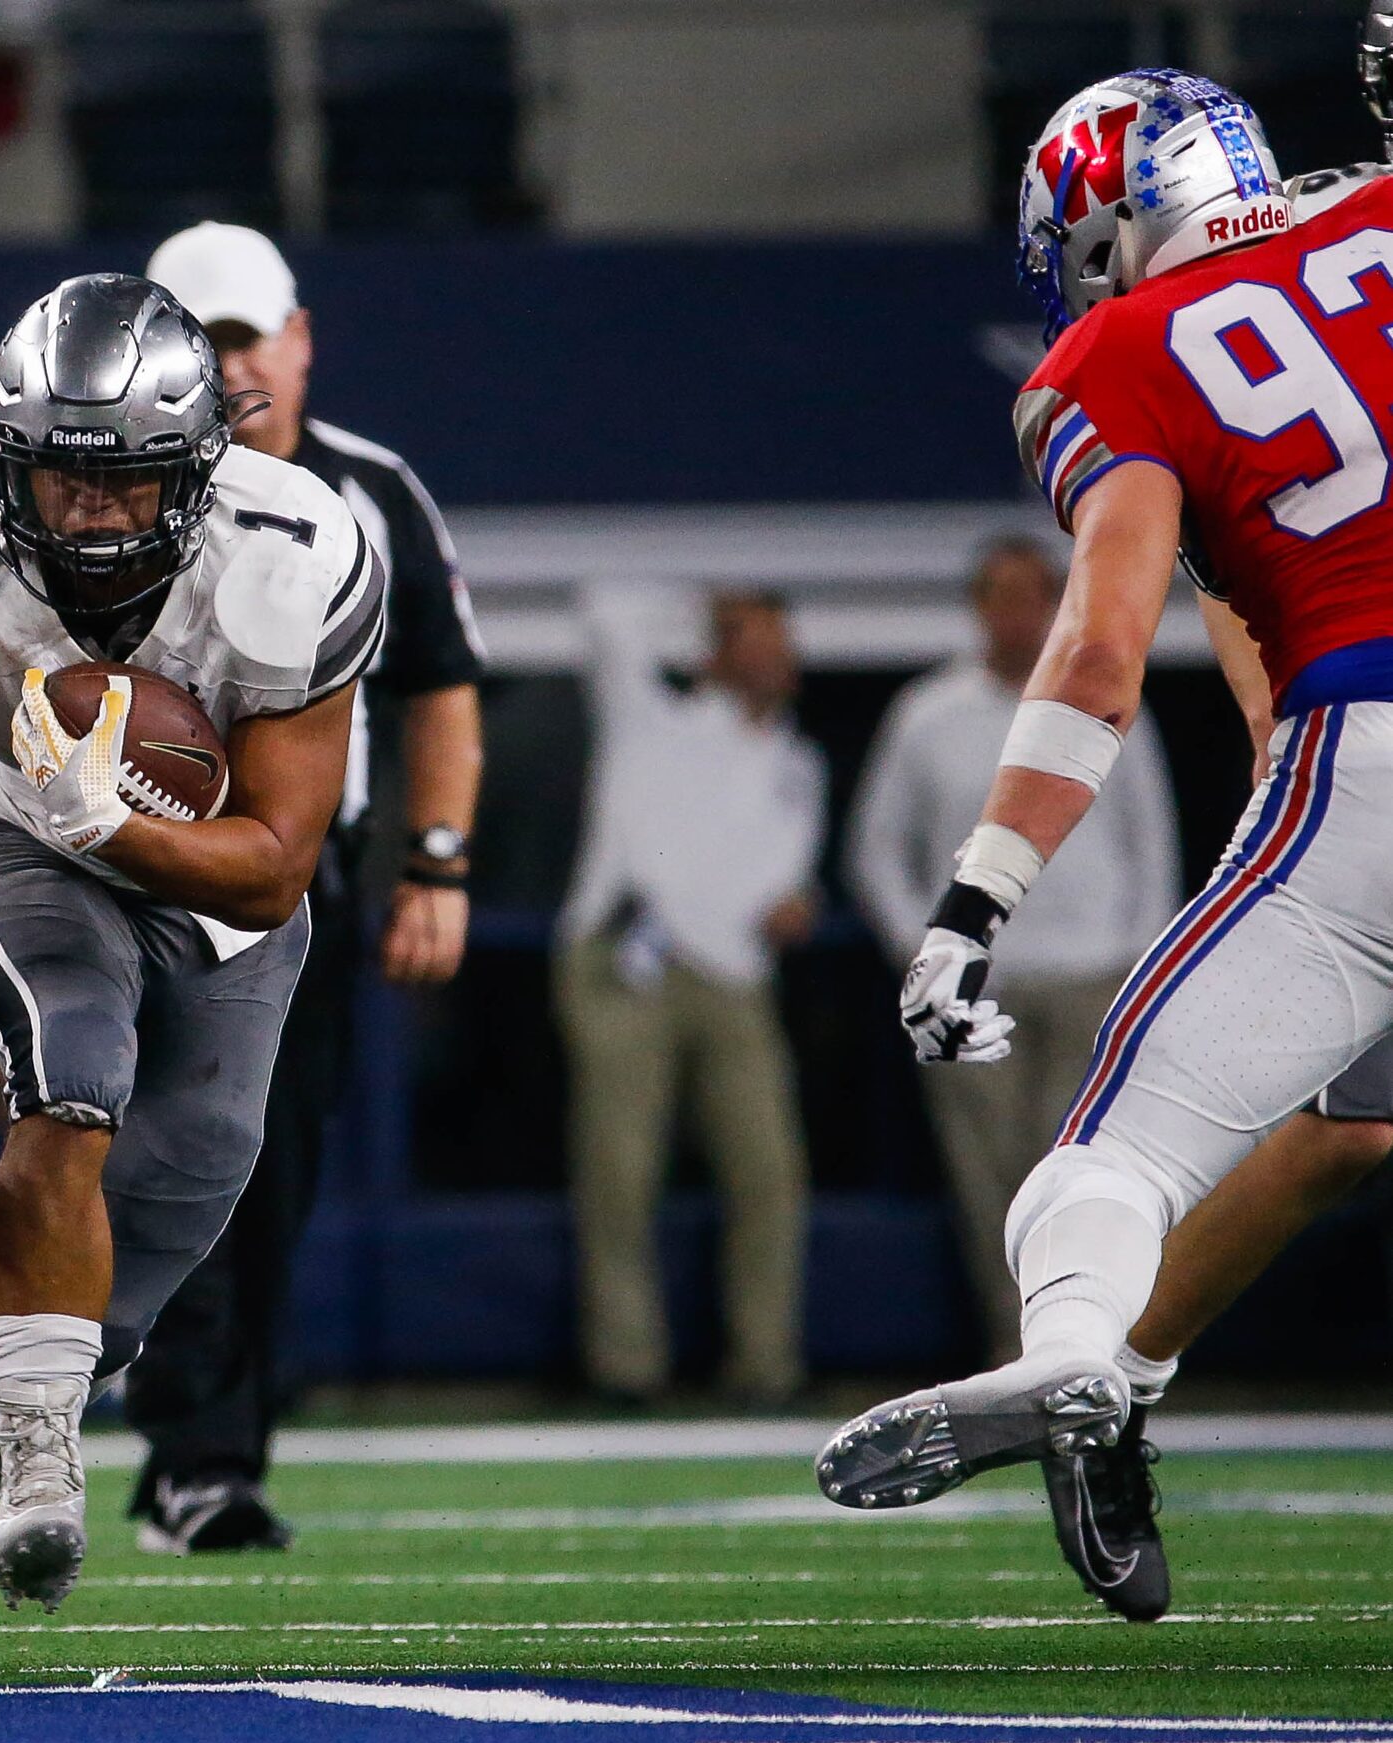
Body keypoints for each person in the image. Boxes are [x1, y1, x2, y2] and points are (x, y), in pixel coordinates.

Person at [820, 74, 1393, 1612]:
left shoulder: (1116, 355)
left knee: (1105, 1166)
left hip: (1370, 738)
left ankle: (1080, 1360)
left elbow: (1093, 657)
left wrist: (970, 898)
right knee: (1344, 1126)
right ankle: (1109, 1390)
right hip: (1333, 707)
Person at [0, 273, 378, 1631]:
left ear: (194, 466)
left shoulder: (292, 546)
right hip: (17, 841)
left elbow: (279, 857)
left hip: (212, 870)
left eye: (119, 480)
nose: (81, 509)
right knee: (74, 1062)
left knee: (201, 1163)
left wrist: (120, 826)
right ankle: (37, 1471)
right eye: (52, 476)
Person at [120, 221, 484, 1554]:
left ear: (300, 335)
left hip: (299, 866)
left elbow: (440, 683)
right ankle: (191, 1445)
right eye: (198, 338)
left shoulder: (367, 492)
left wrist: (436, 861)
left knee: (269, 1168)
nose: (228, 365)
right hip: (134, 867)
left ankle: (205, 1440)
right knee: (174, 1149)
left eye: (244, 334)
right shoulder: (108, 482)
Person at [848, 536, 1179, 1363]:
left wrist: (1137, 968)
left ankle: (1096, 1357)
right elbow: (878, 851)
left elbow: (1155, 848)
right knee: (990, 1181)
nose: (1018, 614)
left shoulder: (1110, 700)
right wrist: (921, 956)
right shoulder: (929, 714)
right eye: (1000, 595)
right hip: (980, 986)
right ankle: (1018, 1360)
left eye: (1034, 595)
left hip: (1088, 980)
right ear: (977, 607)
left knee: (1082, 1180)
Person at [555, 587, 824, 1405]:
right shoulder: (652, 716)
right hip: (626, 961)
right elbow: (604, 614)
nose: (771, 657)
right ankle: (626, 1368)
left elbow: (780, 871)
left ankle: (764, 1367)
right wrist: (704, 611)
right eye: (752, 641)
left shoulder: (797, 764)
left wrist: (791, 899)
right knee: (620, 1175)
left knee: (770, 1174)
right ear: (715, 650)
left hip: (735, 976)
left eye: (781, 642)